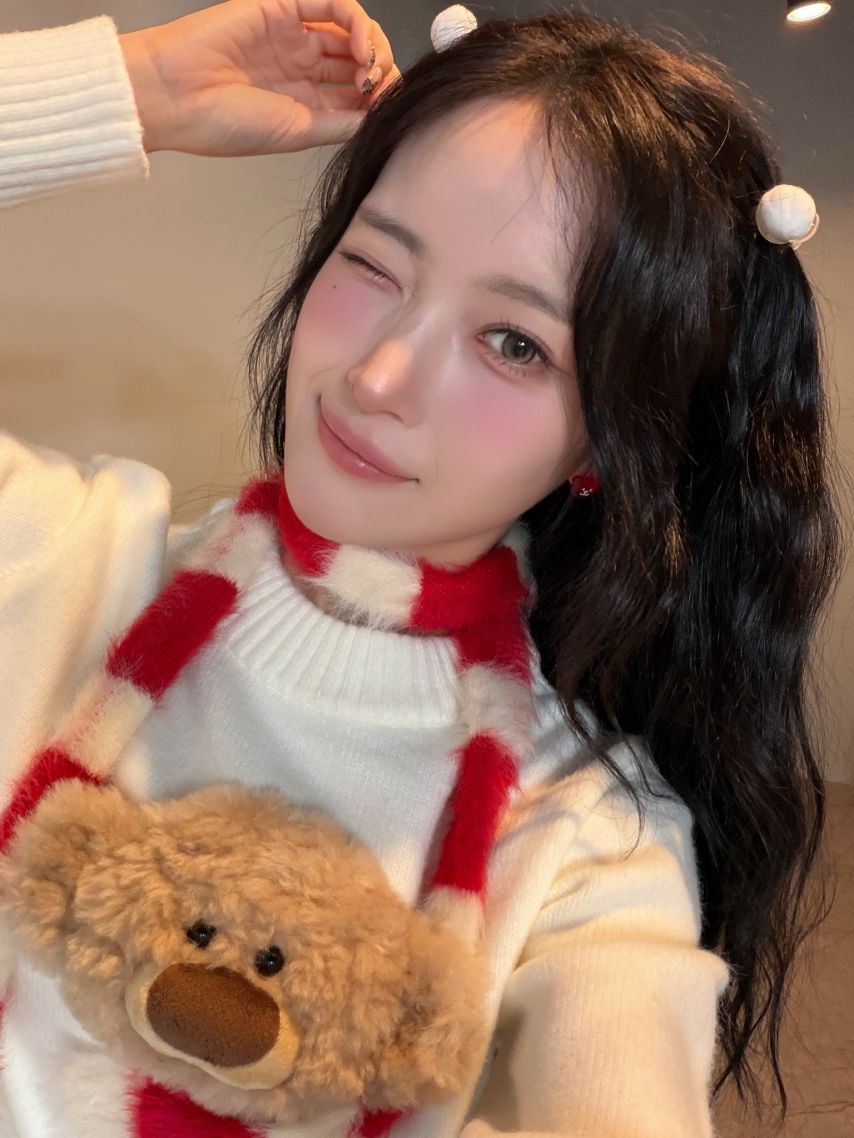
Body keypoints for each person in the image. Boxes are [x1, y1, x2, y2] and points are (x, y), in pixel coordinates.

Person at [0, 3, 843, 1138]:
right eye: (372, 262)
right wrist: (130, 87)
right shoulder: (61, 555)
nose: (378, 377)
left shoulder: (583, 837)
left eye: (514, 343)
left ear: (604, 444)